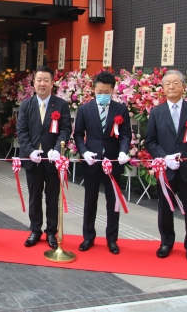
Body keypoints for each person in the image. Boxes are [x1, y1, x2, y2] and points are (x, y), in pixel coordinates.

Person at [145, 70, 187, 263]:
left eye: (175, 83)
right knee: (165, 208)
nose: (171, 87)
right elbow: (151, 141)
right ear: (163, 88)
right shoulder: (156, 112)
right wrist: (164, 158)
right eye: (167, 84)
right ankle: (166, 243)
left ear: (183, 86)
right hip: (167, 170)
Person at [74, 71, 132, 255]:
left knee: (112, 202)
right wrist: (84, 152)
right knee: (90, 200)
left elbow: (125, 134)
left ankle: (112, 239)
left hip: (113, 161)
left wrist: (123, 151)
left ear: (113, 91)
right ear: (94, 90)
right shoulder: (85, 109)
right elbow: (78, 134)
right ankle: (88, 237)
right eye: (99, 91)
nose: (103, 95)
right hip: (92, 161)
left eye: (106, 92)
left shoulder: (120, 109)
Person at [16, 65, 71, 249]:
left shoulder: (61, 105)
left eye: (46, 80)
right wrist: (30, 151)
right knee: (34, 196)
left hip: (52, 161)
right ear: (33, 82)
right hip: (33, 160)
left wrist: (57, 149)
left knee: (52, 197)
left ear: (52, 82)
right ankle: (35, 230)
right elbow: (21, 131)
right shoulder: (26, 105)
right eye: (39, 80)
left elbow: (65, 130)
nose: (42, 83)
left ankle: (51, 232)